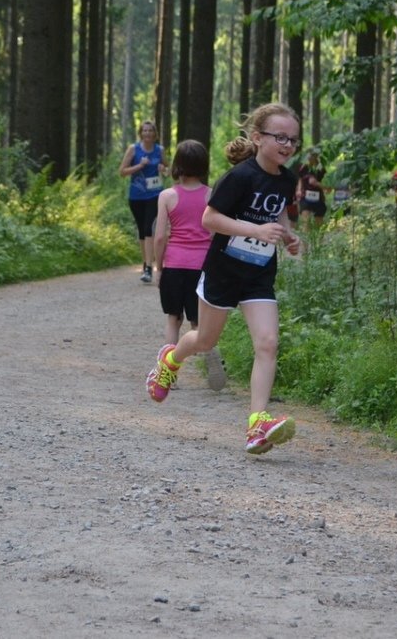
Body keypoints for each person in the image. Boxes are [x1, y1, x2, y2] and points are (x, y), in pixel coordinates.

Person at [146, 103, 303, 455]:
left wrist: (288, 236)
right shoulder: (239, 177)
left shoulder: (288, 179)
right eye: (280, 137)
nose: (288, 145)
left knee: (268, 343)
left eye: (294, 140)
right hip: (223, 271)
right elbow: (210, 219)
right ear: (258, 138)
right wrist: (255, 230)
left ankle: (257, 424)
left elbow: (278, 211)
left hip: (258, 275)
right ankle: (170, 361)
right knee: (204, 340)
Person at [151, 139, 226, 391]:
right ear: (204, 164)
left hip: (174, 264)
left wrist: (158, 267)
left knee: (173, 319)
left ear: (177, 164)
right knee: (198, 323)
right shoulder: (211, 195)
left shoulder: (167, 196)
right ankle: (210, 354)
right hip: (202, 266)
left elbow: (159, 237)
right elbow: (216, 233)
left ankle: (168, 374)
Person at [119, 120, 166, 284]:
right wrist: (139, 165)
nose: (147, 133)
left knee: (148, 228)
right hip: (137, 195)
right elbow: (122, 171)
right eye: (144, 130)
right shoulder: (133, 149)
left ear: (155, 134)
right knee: (141, 231)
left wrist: (164, 169)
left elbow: (168, 170)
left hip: (155, 194)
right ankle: (146, 263)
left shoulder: (160, 150)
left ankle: (149, 268)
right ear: (141, 133)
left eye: (150, 130)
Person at [296, 151, 329, 229]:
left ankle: (318, 237)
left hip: (318, 199)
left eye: (311, 155)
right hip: (305, 198)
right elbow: (300, 179)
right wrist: (299, 190)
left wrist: (317, 183)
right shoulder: (303, 167)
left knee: (319, 224)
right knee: (305, 222)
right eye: (308, 155)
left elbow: (328, 187)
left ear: (316, 156)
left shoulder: (321, 169)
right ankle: (305, 236)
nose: (309, 157)